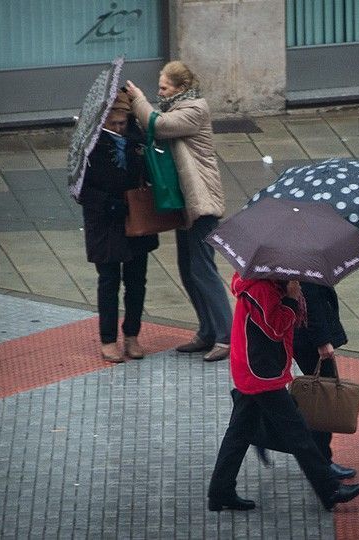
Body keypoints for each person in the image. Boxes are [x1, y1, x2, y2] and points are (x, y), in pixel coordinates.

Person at [207, 273, 359, 511]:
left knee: (239, 432)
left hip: (255, 367)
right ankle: (329, 489)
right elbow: (275, 328)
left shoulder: (260, 283)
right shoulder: (261, 289)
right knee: (298, 431)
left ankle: (220, 490)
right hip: (260, 372)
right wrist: (291, 299)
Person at [124, 61, 232, 363]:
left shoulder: (195, 110)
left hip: (202, 203)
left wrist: (138, 100)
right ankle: (208, 331)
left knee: (202, 268)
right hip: (184, 203)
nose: (159, 92)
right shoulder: (174, 107)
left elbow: (158, 125)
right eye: (158, 87)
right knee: (187, 268)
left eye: (164, 88)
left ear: (181, 88)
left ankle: (225, 335)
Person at [79, 91, 159, 362]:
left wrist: (137, 146)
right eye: (111, 124)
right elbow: (81, 189)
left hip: (136, 217)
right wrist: (107, 204)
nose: (117, 129)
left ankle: (132, 335)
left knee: (137, 281)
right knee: (109, 280)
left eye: (122, 123)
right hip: (105, 222)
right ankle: (108, 339)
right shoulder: (89, 145)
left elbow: (150, 172)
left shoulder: (137, 139)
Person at [293, 282, 357, 480]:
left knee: (319, 396)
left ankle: (320, 459)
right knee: (323, 398)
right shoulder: (303, 259)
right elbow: (311, 299)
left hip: (301, 336)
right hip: (309, 340)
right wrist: (322, 341)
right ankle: (322, 462)